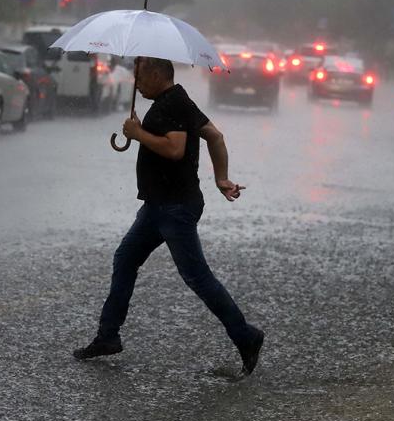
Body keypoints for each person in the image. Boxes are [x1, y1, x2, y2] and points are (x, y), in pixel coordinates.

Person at [73, 57, 264, 375]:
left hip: (174, 207)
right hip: (158, 206)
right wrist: (221, 179)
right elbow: (215, 137)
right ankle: (108, 337)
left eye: (140, 76)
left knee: (198, 277)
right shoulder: (176, 100)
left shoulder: (171, 103)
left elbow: (175, 149)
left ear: (157, 73)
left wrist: (137, 133)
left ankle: (246, 336)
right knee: (125, 259)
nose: (136, 83)